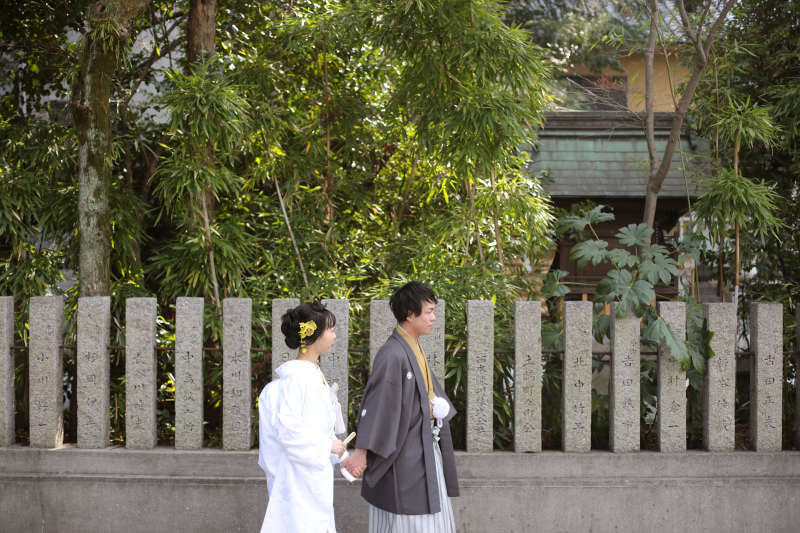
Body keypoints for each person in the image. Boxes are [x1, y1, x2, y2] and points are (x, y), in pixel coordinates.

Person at [342, 281, 459, 533]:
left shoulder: (411, 345)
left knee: (424, 516)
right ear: (409, 313)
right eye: (428, 311)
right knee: (410, 517)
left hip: (422, 446)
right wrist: (361, 452)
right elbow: (378, 405)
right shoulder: (393, 353)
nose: (433, 317)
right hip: (405, 452)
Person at [257, 302, 348, 533]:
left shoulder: (310, 375)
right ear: (313, 334)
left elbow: (315, 429)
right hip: (296, 480)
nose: (334, 335)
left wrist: (342, 455)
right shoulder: (297, 379)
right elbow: (288, 434)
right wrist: (327, 446)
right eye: (331, 329)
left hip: (309, 476)